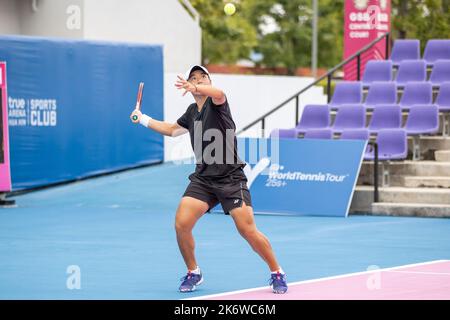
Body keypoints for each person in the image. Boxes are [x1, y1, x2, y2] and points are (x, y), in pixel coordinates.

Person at [130, 65, 287, 294]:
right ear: (188, 87)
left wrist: (198, 86)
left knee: (247, 230)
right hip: (203, 179)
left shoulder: (218, 104)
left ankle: (277, 272)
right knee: (182, 224)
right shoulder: (192, 111)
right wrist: (143, 119)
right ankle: (194, 272)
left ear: (209, 82)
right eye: (193, 78)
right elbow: (172, 129)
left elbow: (219, 92)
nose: (198, 81)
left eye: (203, 77)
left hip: (231, 178)